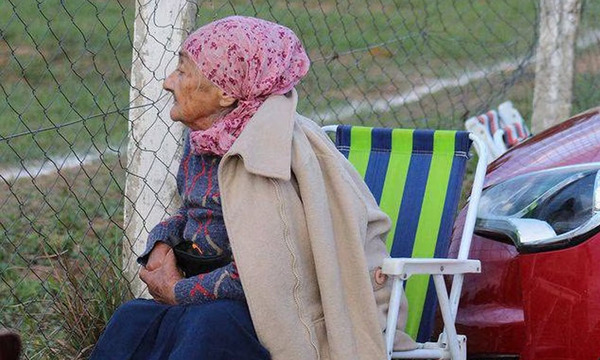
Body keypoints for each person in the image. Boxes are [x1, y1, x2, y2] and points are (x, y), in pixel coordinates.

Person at [91, 15, 414, 360]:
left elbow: (267, 275)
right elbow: (192, 210)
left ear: (226, 94)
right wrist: (161, 243)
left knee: (208, 326)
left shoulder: (268, 155)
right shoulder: (206, 140)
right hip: (214, 299)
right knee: (133, 319)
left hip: (269, 312)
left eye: (183, 72)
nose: (169, 82)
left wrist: (177, 291)